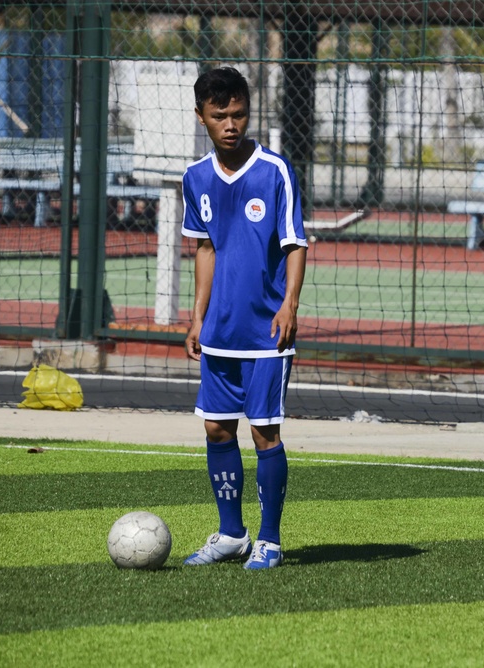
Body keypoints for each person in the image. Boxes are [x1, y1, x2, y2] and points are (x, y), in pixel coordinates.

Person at [181, 66, 308, 570]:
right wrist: (197, 317)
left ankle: (271, 540)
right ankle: (232, 534)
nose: (230, 124)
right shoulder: (195, 179)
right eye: (219, 116)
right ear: (201, 118)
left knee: (264, 433)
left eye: (238, 114)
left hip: (266, 331)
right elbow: (206, 248)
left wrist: (290, 305)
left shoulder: (274, 171)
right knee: (216, 428)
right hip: (219, 332)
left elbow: (296, 242)